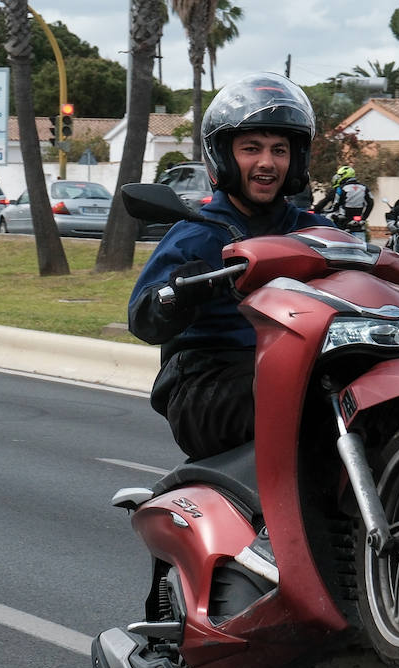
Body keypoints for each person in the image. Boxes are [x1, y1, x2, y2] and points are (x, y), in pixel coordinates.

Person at [128, 72, 330, 462]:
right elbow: (142, 317)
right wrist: (181, 291)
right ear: (224, 155)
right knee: (309, 399)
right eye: (251, 148)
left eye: (280, 150)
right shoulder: (197, 233)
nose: (267, 162)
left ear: (296, 158)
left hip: (304, 366)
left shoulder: (316, 230)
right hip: (207, 382)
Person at [316, 165, 374, 231]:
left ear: (345, 175)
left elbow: (336, 205)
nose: (339, 177)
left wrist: (324, 211)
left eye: (340, 175)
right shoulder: (364, 188)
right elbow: (371, 203)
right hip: (358, 217)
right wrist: (364, 217)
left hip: (343, 217)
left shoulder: (341, 188)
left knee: (329, 220)